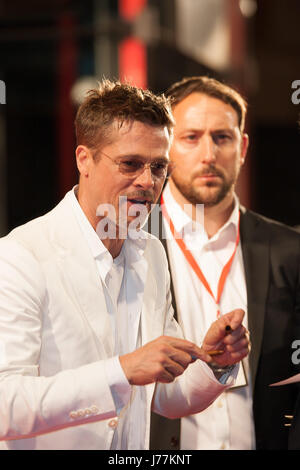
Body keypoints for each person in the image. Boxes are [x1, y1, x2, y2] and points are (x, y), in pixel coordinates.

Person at [0, 79, 249, 450]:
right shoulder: (21, 255)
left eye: (159, 166)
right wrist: (121, 370)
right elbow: (7, 405)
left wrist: (214, 361)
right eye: (130, 164)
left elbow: (165, 395)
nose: (148, 181)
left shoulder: (152, 253)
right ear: (84, 159)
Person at [149, 76, 300, 450]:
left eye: (222, 137)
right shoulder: (130, 243)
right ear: (166, 146)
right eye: (191, 137)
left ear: (243, 146)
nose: (209, 154)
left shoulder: (288, 249)